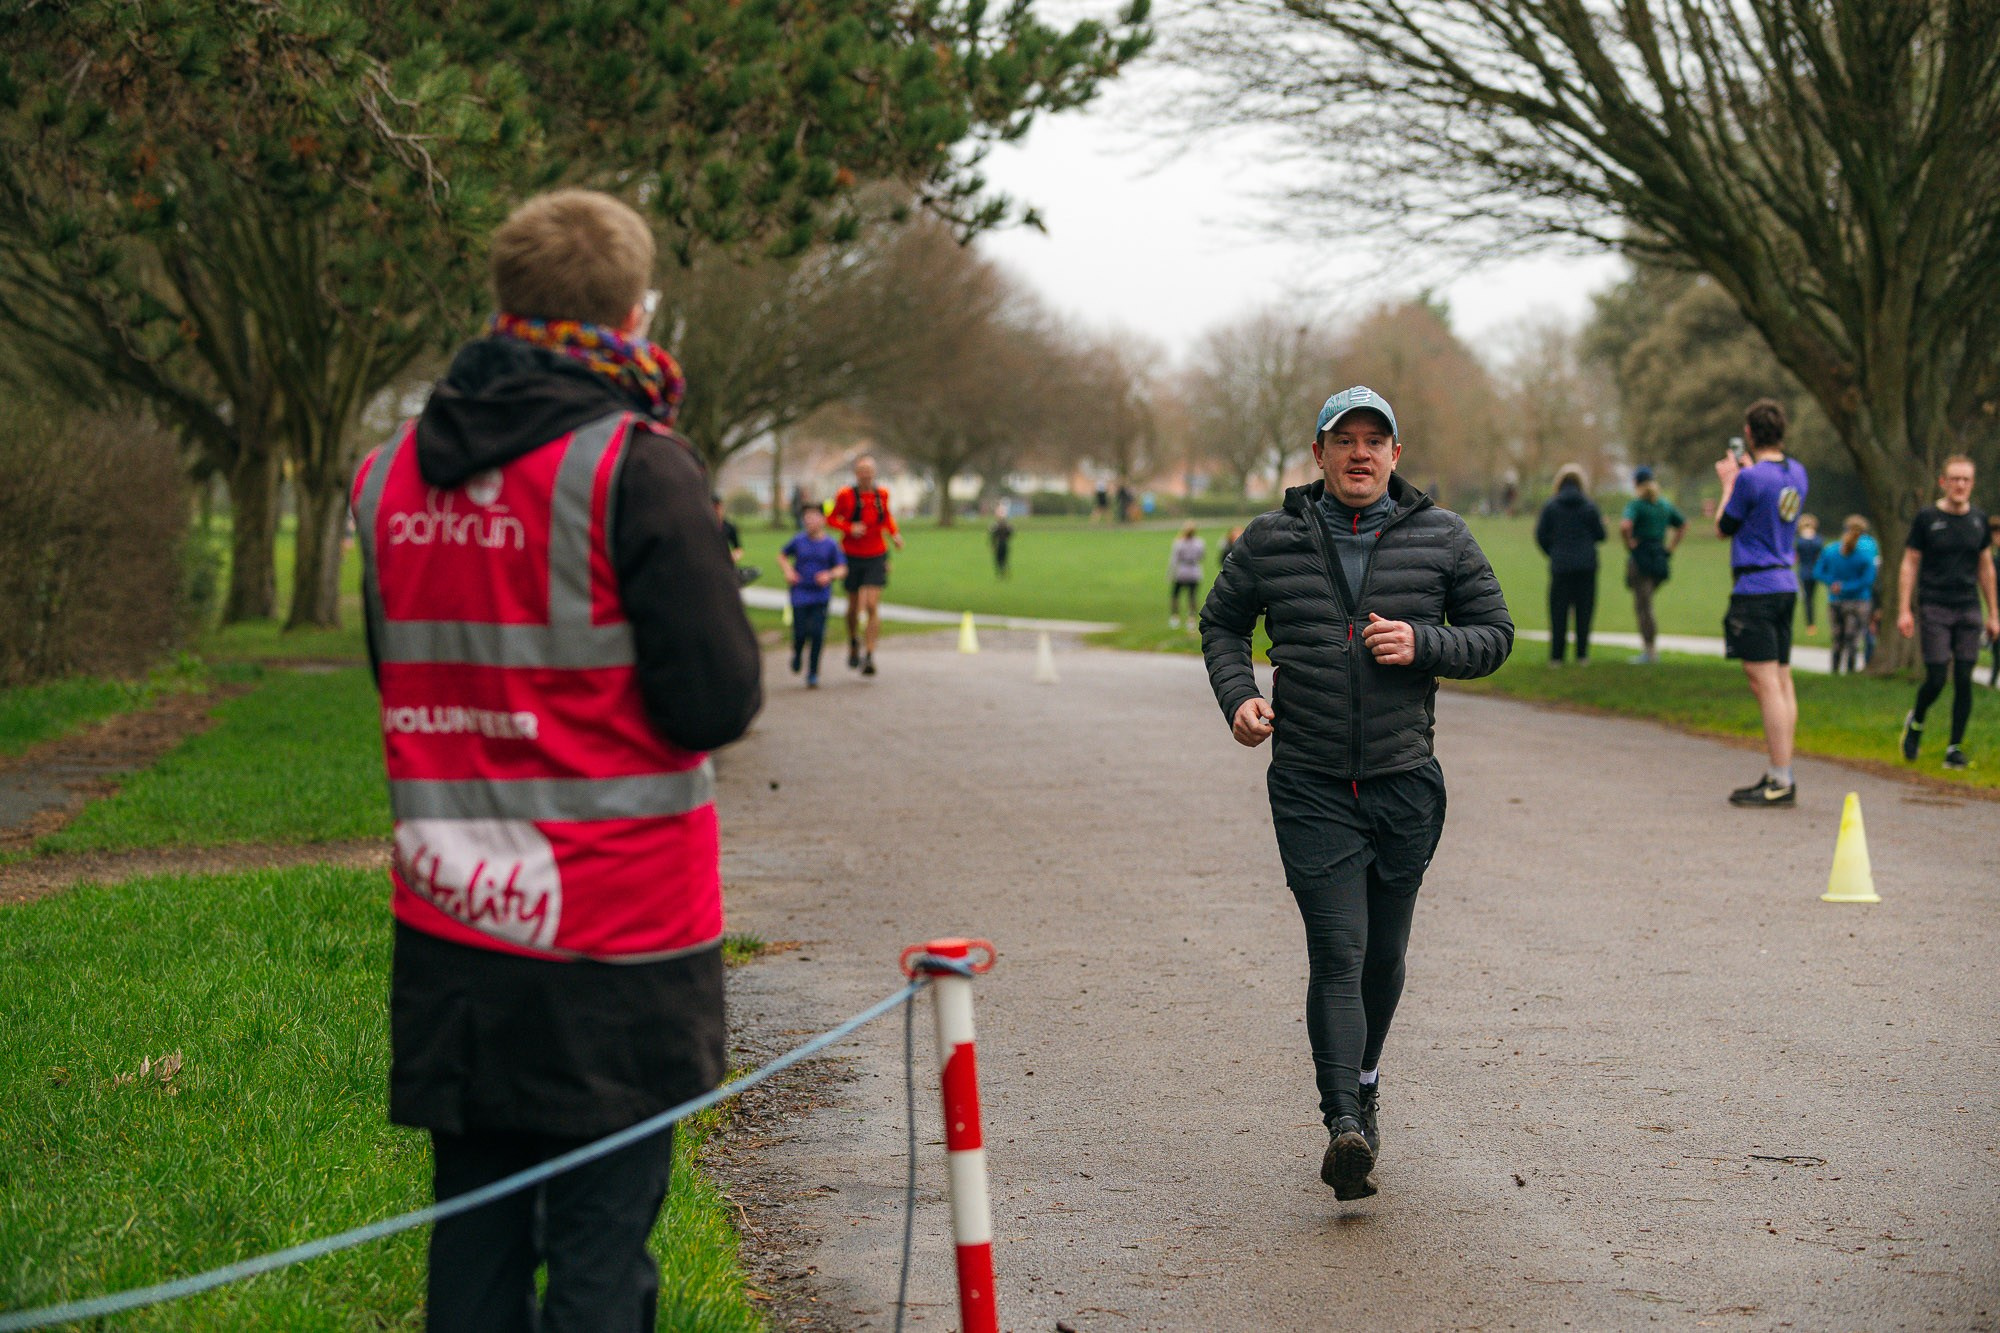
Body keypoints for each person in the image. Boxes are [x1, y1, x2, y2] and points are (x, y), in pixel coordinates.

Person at [349, 189, 763, 1332]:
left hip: (454, 915)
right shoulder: (639, 465)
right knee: (598, 1248)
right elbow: (715, 701)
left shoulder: (385, 477)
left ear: (500, 303)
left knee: (471, 1235)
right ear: (635, 313)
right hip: (617, 927)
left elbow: (403, 679)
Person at [1200, 385, 1514, 1202]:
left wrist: (1425, 643)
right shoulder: (1271, 538)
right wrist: (1237, 695)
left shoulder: (1443, 535)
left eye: (1376, 439)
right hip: (1309, 780)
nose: (1361, 453)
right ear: (1319, 453)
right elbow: (1221, 624)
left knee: (1385, 954)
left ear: (1397, 455)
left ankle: (1367, 1080)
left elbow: (1496, 634)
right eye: (1345, 439)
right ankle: (1343, 1122)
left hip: (1406, 781)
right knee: (1337, 948)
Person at [1715, 399, 1808, 807]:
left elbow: (1724, 527)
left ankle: (1780, 779)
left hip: (1756, 587)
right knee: (1783, 681)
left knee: (1765, 684)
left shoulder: (1751, 480)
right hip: (1787, 583)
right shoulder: (1798, 473)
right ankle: (1781, 771)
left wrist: (1728, 484)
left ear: (1749, 434)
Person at [1897, 455, 1999, 769]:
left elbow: (1986, 568)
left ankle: (1954, 748)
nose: (1960, 485)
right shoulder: (1927, 518)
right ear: (1943, 482)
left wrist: (1993, 613)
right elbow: (1910, 562)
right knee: (1938, 676)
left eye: (1966, 479)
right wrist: (1904, 609)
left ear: (1972, 484)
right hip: (1935, 605)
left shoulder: (1979, 520)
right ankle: (1917, 721)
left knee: (1966, 678)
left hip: (1967, 606)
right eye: (1954, 479)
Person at [827, 454, 902, 676]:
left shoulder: (882, 494)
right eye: (862, 470)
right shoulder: (845, 495)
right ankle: (853, 641)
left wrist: (895, 534)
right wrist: (849, 528)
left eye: (869, 470)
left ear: (874, 472)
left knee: (871, 605)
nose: (866, 474)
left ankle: (869, 654)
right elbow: (831, 519)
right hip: (851, 555)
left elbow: (886, 517)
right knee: (853, 607)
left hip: (876, 554)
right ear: (856, 474)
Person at [1534, 464, 1606, 665]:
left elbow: (1540, 535)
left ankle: (1557, 656)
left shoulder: (1551, 506)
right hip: (1586, 566)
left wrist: (1553, 552)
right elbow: (1601, 534)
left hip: (1561, 565)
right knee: (1584, 611)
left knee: (1558, 611)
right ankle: (1582, 654)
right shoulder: (1590, 506)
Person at [1620, 466, 1685, 664]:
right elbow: (1682, 525)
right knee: (1646, 603)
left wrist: (1628, 543)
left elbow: (1625, 525)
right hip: (1659, 557)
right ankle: (1649, 649)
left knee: (1643, 606)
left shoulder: (1637, 505)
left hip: (1642, 557)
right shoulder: (1663, 504)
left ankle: (1650, 650)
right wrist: (1671, 548)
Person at [779, 506, 845, 687]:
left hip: (820, 595)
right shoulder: (798, 540)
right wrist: (789, 571)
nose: (809, 522)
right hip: (800, 592)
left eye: (813, 518)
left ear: (822, 520)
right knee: (800, 632)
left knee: (817, 633)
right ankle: (798, 653)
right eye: (806, 519)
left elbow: (842, 568)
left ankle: (813, 673)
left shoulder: (830, 544)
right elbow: (782, 556)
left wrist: (829, 575)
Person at [1813, 515, 1878, 675]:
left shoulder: (1831, 549)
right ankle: (1852, 671)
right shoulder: (1869, 548)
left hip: (1836, 599)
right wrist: (1848, 587)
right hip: (1860, 599)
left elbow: (1818, 572)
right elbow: (1869, 578)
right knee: (1854, 638)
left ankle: (1834, 670)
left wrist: (1834, 585)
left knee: (1837, 637)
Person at [1169, 522, 1206, 628]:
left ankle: (1175, 617)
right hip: (1194, 570)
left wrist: (1171, 573)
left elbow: (1174, 559)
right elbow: (1202, 556)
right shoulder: (1200, 542)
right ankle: (1191, 619)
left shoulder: (1179, 542)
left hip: (1182, 571)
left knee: (1175, 595)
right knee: (1192, 596)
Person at [1794, 515, 1825, 637]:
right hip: (1815, 572)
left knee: (1807, 600)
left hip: (1803, 573)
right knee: (1812, 598)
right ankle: (1811, 625)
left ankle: (1810, 625)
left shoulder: (1799, 541)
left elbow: (1796, 557)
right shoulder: (1818, 540)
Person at [989, 501, 1015, 578]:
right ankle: (1003, 572)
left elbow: (992, 536)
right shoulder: (1008, 525)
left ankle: (1000, 572)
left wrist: (992, 544)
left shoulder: (995, 525)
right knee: (1003, 558)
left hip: (1000, 543)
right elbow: (1011, 534)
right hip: (1004, 543)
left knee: (999, 558)